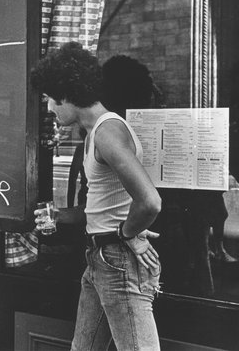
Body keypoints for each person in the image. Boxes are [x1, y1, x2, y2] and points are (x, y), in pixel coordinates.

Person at [31, 42, 162, 350]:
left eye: (49, 98)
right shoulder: (95, 134)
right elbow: (104, 205)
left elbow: (150, 201)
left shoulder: (107, 133)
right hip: (101, 260)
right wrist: (60, 215)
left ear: (66, 93)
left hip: (117, 259)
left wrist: (126, 233)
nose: (49, 108)